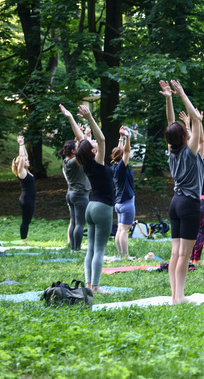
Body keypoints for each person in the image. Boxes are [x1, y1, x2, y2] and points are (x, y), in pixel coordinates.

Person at [160, 79, 204, 304]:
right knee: (184, 255)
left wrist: (168, 98)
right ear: (185, 136)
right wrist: (182, 94)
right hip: (188, 205)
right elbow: (196, 120)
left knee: (175, 253)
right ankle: (179, 297)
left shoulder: (173, 151)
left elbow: (171, 125)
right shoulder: (189, 152)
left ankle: (174, 296)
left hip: (175, 202)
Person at [74, 104, 114, 294]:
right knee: (99, 249)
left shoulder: (87, 163)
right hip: (102, 207)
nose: (94, 143)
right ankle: (96, 286)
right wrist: (90, 117)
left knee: (90, 248)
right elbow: (102, 138)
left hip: (90, 207)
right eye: (92, 145)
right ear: (92, 151)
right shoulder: (98, 162)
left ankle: (89, 284)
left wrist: (71, 119)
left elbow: (83, 142)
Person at [177, 110, 204, 265]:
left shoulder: (182, 162)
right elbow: (201, 141)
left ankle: (185, 259)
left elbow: (197, 141)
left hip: (188, 201)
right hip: (203, 201)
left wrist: (190, 124)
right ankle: (194, 260)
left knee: (188, 232)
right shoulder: (199, 161)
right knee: (199, 232)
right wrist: (197, 122)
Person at [59, 104, 92, 252]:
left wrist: (79, 133)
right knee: (79, 224)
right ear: (73, 151)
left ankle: (73, 248)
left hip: (71, 194)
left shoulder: (66, 161)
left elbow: (77, 143)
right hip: (79, 194)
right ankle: (76, 249)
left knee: (73, 222)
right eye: (77, 148)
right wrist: (71, 118)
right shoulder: (75, 161)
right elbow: (81, 142)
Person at [111, 126, 135, 259]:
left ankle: (121, 255)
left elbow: (120, 151)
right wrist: (127, 137)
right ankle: (125, 256)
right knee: (124, 231)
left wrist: (120, 137)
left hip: (119, 203)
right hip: (126, 203)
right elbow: (126, 151)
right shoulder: (122, 167)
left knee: (120, 230)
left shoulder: (115, 166)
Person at [12, 136, 36, 243]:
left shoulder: (27, 170)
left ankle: (24, 238)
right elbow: (22, 157)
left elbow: (24, 156)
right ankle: (24, 240)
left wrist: (23, 145)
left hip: (28, 199)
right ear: (20, 164)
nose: (27, 161)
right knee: (26, 220)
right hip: (26, 199)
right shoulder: (21, 172)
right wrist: (21, 144)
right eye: (25, 161)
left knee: (28, 220)